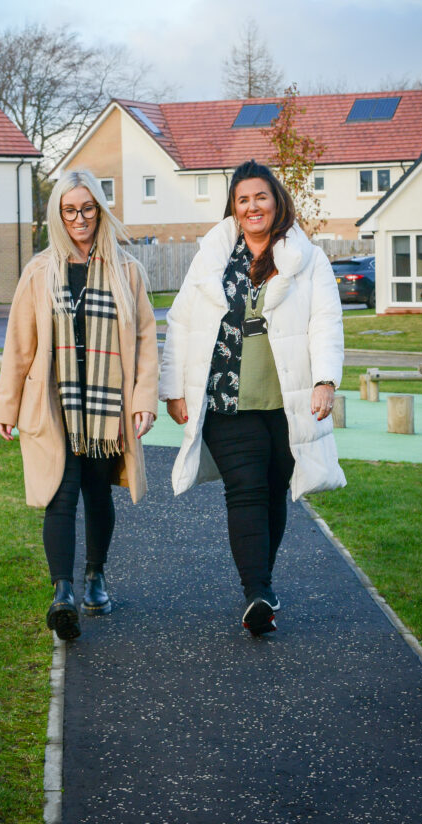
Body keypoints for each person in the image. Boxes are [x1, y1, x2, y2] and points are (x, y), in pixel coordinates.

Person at [160, 160, 345, 636]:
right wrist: (173, 388)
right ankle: (257, 591)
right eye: (242, 199)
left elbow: (325, 320)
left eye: (259, 197)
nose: (252, 206)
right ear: (234, 208)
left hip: (288, 400)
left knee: (274, 491)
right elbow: (181, 322)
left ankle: (261, 585)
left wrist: (325, 379)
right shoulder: (212, 259)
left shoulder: (308, 260)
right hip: (226, 399)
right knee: (245, 490)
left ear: (276, 200)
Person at [0, 169, 158, 641]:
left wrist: (144, 399)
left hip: (107, 407)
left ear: (100, 211)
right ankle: (62, 593)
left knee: (97, 491)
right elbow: (18, 345)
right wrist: (7, 406)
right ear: (58, 215)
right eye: (70, 210)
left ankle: (95, 578)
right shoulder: (40, 271)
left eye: (88, 208)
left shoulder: (127, 270)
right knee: (59, 493)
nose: (80, 218)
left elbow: (147, 340)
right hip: (55, 402)